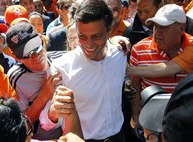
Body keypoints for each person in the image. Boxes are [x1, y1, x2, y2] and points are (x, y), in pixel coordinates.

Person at [40, 0, 127, 141]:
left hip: (119, 136)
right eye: (82, 37)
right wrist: (53, 113)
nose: (89, 44)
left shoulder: (120, 54)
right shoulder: (61, 67)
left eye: (97, 36)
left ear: (109, 31)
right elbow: (46, 121)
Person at [129, 3, 190, 139]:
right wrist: (135, 115)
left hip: (186, 125)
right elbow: (135, 84)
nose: (157, 32)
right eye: (155, 26)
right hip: (152, 125)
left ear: (182, 28)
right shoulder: (138, 49)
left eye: (164, 27)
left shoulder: (191, 48)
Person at [6, 22, 66, 140]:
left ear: (42, 40)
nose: (35, 56)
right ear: (16, 57)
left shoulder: (64, 59)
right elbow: (20, 125)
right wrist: (44, 96)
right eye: (26, 54)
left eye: (36, 48)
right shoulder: (15, 78)